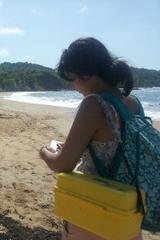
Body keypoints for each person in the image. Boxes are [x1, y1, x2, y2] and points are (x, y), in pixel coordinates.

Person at [39, 37, 143, 239]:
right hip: (128, 213)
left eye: (71, 78)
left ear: (86, 74)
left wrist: (43, 152)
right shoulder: (134, 103)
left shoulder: (93, 104)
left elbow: (62, 165)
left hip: (94, 213)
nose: (73, 86)